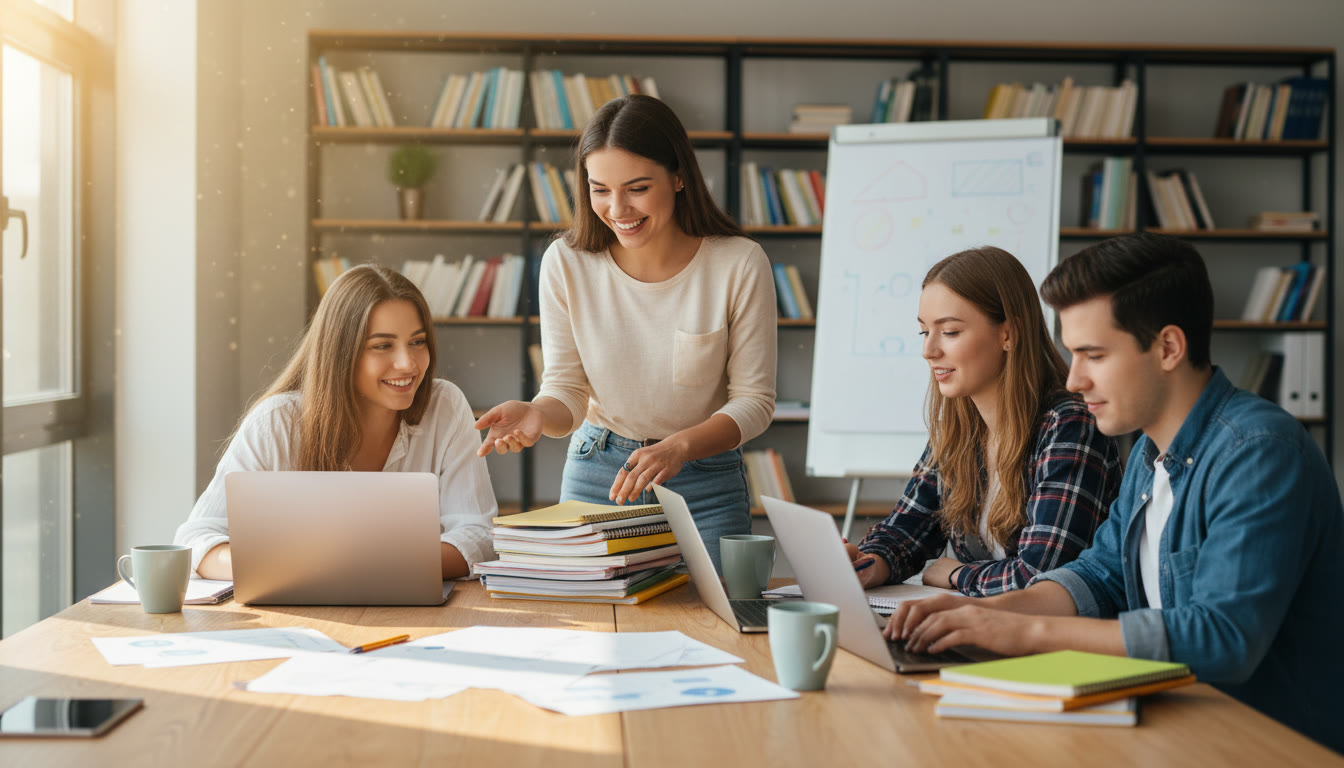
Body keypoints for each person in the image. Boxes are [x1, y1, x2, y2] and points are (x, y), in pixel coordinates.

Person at [889, 233, 1344, 753]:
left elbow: (1223, 637)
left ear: (1168, 348)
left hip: (1266, 745)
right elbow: (1099, 577)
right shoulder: (1151, 457)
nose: (1075, 379)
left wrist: (1023, 634)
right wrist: (987, 615)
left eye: (1094, 355)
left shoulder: (1259, 451)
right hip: (1178, 731)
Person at [473, 94, 776, 571]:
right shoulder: (566, 263)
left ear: (679, 177)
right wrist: (536, 412)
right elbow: (567, 392)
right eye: (600, 189)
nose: (617, 209)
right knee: (590, 636)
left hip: (705, 479)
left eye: (637, 188)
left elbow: (755, 401)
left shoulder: (738, 263)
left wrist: (680, 446)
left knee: (717, 631)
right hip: (600, 471)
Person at [174, 264, 497, 580]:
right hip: (298, 611)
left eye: (417, 341)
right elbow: (196, 539)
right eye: (382, 346)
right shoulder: (277, 423)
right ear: (340, 352)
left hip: (414, 609)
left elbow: (478, 534)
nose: (407, 363)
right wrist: (285, 567)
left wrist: (362, 567)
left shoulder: (444, 405)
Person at [845, 246, 1122, 595]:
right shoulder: (960, 429)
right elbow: (906, 530)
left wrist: (957, 575)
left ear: (1007, 334)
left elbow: (1041, 577)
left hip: (1051, 639)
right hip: (986, 629)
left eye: (949, 332)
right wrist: (868, 564)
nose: (928, 350)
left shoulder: (1070, 427)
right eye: (923, 332)